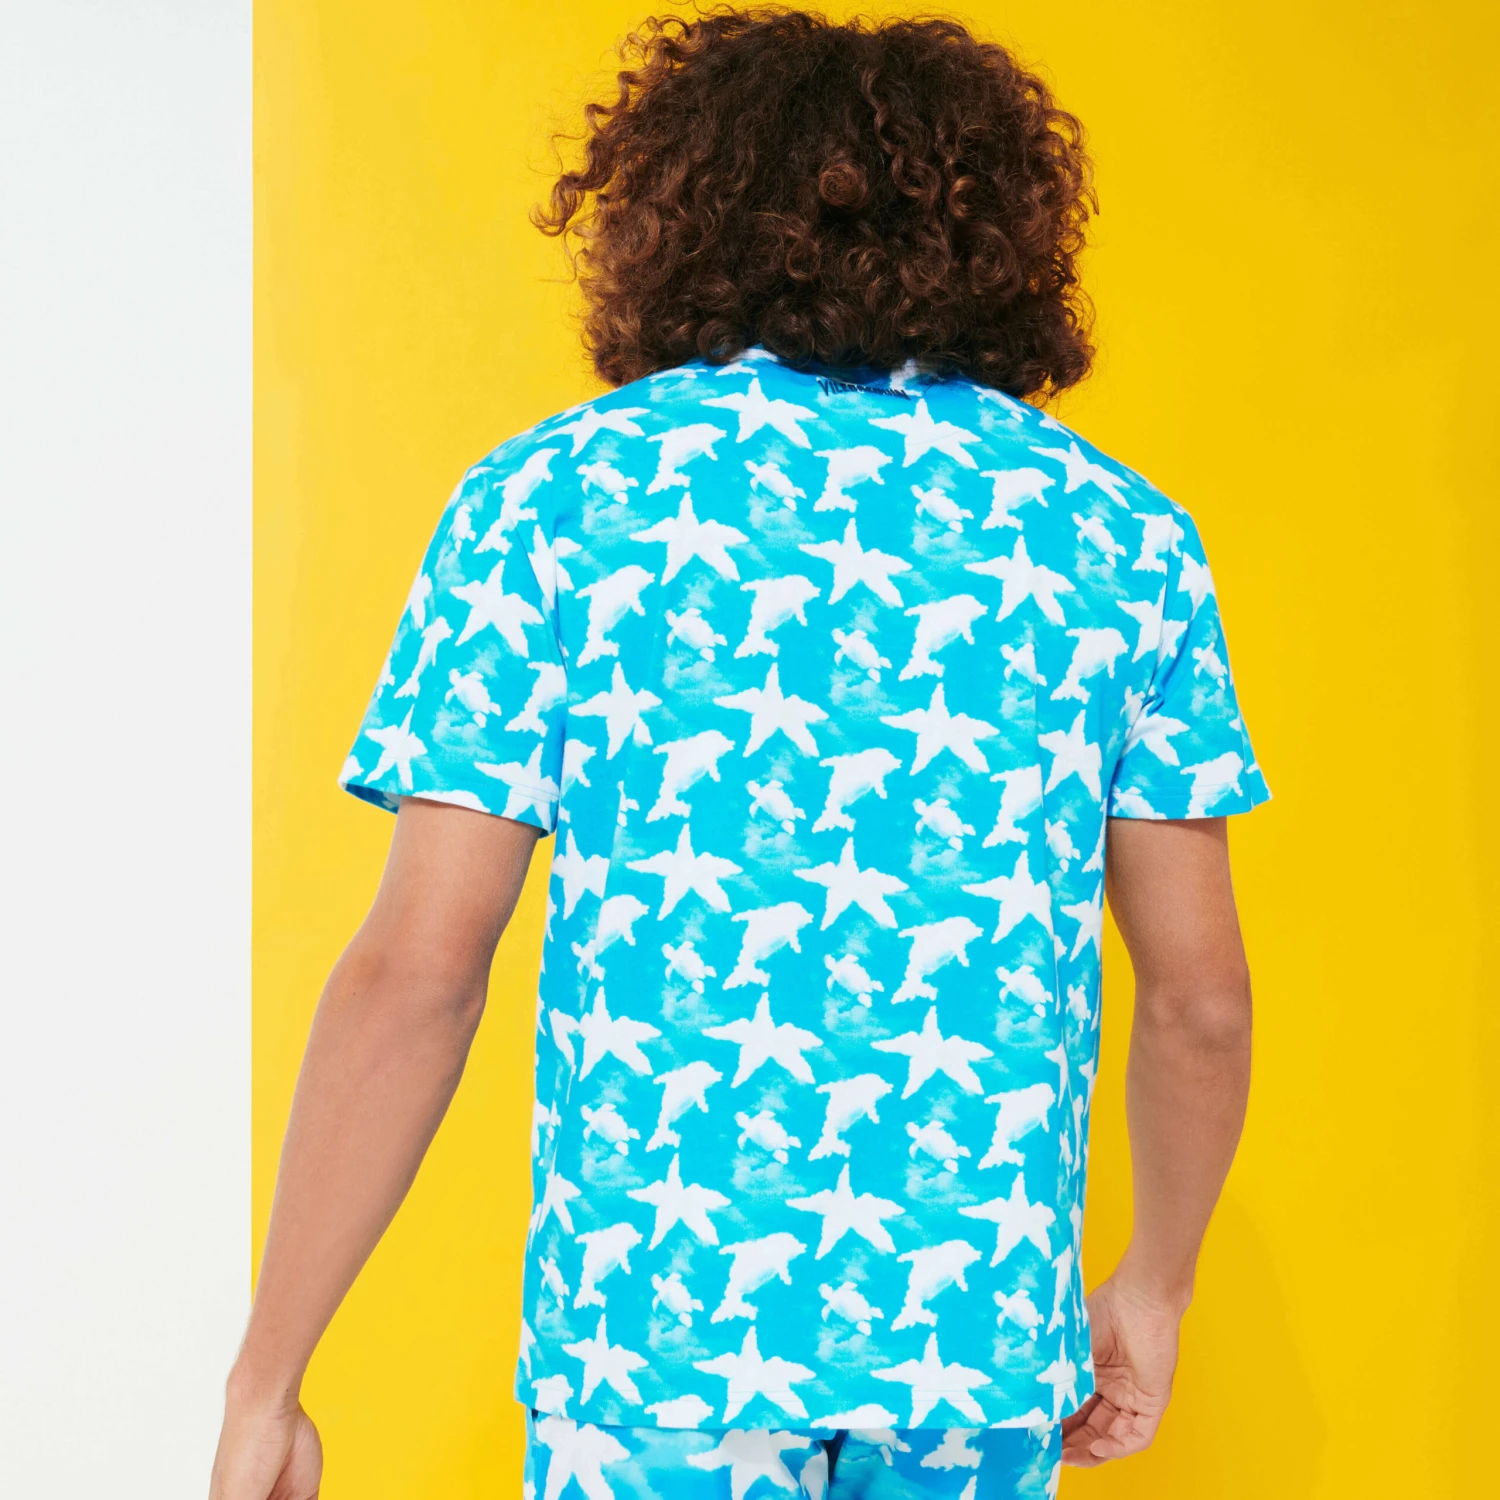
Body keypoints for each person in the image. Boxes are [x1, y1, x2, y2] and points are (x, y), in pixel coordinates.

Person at [210, 10, 1269, 1499]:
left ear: (671, 215)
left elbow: (418, 973)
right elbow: (1201, 1002)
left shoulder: (556, 501)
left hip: (650, 1347)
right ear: (1002, 236)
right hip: (971, 1354)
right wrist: (1154, 1287)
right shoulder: (1120, 537)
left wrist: (269, 1377)